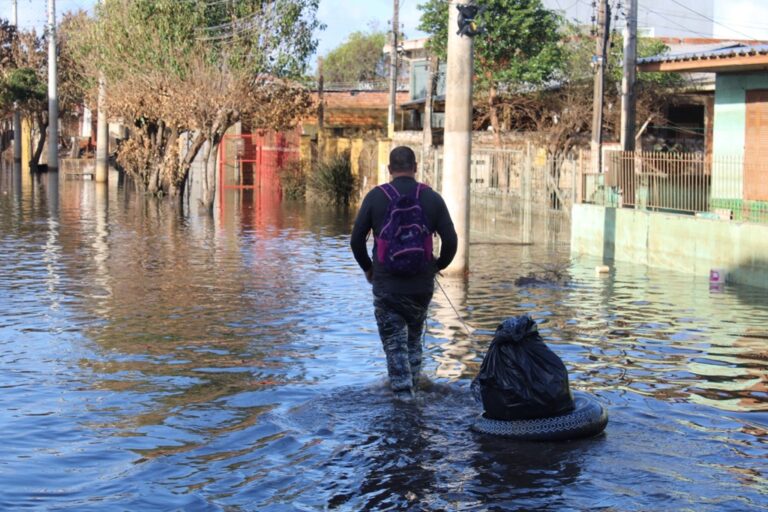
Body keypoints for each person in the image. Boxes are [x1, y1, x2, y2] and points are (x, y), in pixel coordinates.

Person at [350, 146, 458, 397]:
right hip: (421, 287)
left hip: (387, 286)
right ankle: (415, 391)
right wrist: (437, 266)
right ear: (415, 167)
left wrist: (368, 269)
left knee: (394, 346)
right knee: (413, 340)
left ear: (389, 169)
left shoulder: (375, 197)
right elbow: (451, 241)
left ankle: (402, 401)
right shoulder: (431, 198)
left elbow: (356, 241)